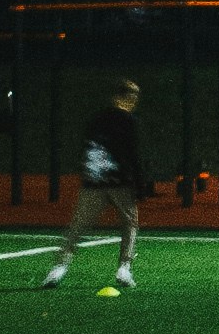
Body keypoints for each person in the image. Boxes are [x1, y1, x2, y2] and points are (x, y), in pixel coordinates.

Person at [46, 76, 150, 286]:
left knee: (78, 225)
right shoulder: (129, 121)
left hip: (94, 180)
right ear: (129, 98)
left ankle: (59, 268)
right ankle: (124, 268)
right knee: (129, 224)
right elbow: (132, 154)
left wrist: (88, 174)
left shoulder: (96, 118)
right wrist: (140, 183)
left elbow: (87, 148)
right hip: (119, 180)